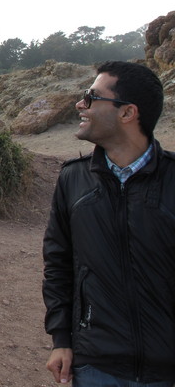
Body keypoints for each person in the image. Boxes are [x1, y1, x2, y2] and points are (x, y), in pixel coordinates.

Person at [42, 61, 174, 386]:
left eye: (90, 97)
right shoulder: (72, 179)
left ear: (127, 113)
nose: (79, 104)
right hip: (95, 364)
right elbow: (58, 264)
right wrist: (61, 339)